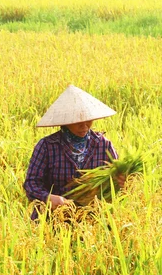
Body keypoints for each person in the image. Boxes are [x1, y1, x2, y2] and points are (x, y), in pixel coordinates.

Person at [23, 85, 125, 220]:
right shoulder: (47, 146)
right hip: (52, 220)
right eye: (77, 120)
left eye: (88, 119)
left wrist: (121, 181)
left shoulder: (103, 145)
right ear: (66, 121)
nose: (84, 125)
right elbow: (31, 183)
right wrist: (48, 198)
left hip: (92, 222)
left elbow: (115, 181)